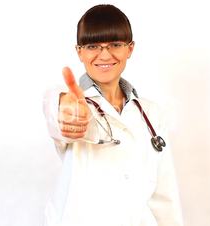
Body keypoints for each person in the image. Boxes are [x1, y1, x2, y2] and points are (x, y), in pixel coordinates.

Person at [43, 4, 183, 226]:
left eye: (115, 44)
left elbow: (165, 197)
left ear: (130, 49)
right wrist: (61, 108)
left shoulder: (151, 113)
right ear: (80, 52)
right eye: (93, 46)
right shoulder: (75, 106)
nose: (104, 54)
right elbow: (56, 113)